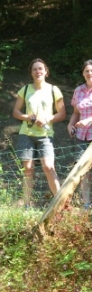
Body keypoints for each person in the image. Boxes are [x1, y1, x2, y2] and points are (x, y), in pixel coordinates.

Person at [13, 58, 66, 207]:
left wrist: (48, 118)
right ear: (31, 73)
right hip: (26, 133)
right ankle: (27, 205)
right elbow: (16, 112)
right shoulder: (24, 90)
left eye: (40, 69)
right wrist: (27, 117)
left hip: (45, 135)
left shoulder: (53, 89)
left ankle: (61, 204)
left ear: (46, 72)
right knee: (28, 169)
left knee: (48, 167)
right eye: (35, 69)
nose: (38, 72)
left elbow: (62, 114)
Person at [67, 59, 92, 209]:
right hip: (81, 136)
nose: (90, 73)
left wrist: (89, 120)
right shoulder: (78, 90)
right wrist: (70, 125)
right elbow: (76, 113)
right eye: (87, 71)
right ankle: (86, 204)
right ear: (83, 73)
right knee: (83, 171)